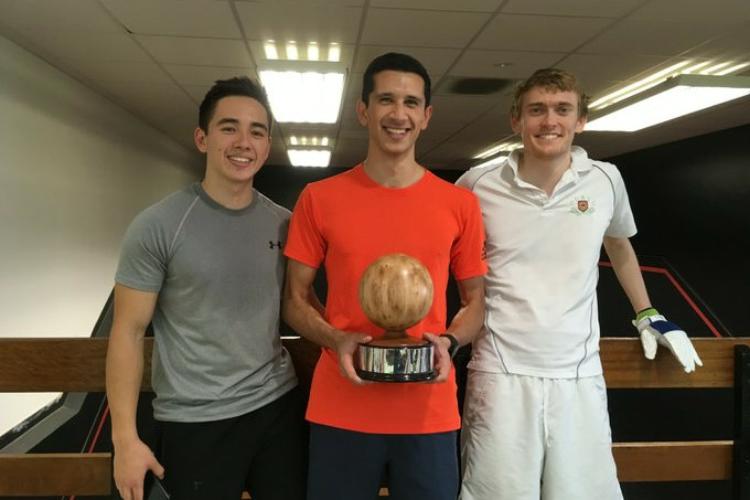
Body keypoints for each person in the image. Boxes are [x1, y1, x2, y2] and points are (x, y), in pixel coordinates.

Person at [457, 68, 703, 500]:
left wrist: (647, 313)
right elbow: (446, 253)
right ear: (516, 120)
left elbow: (619, 247)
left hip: (578, 374)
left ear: (581, 120)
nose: (549, 121)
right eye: (536, 110)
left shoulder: (606, 179)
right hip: (500, 373)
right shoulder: (477, 183)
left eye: (562, 109)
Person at [282, 52, 487, 500]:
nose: (399, 114)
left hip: (428, 413)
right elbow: (294, 300)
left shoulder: (459, 205)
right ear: (363, 110)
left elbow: (476, 303)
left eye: (411, 103)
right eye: (386, 100)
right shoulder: (319, 198)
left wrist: (449, 343)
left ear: (426, 116)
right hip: (342, 408)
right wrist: (336, 339)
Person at [105, 76, 306, 500]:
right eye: (229, 128)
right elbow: (127, 332)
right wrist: (125, 439)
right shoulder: (158, 225)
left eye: (257, 132)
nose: (243, 142)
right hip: (195, 419)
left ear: (267, 146)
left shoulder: (285, 224)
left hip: (277, 408)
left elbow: (298, 305)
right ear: (202, 138)